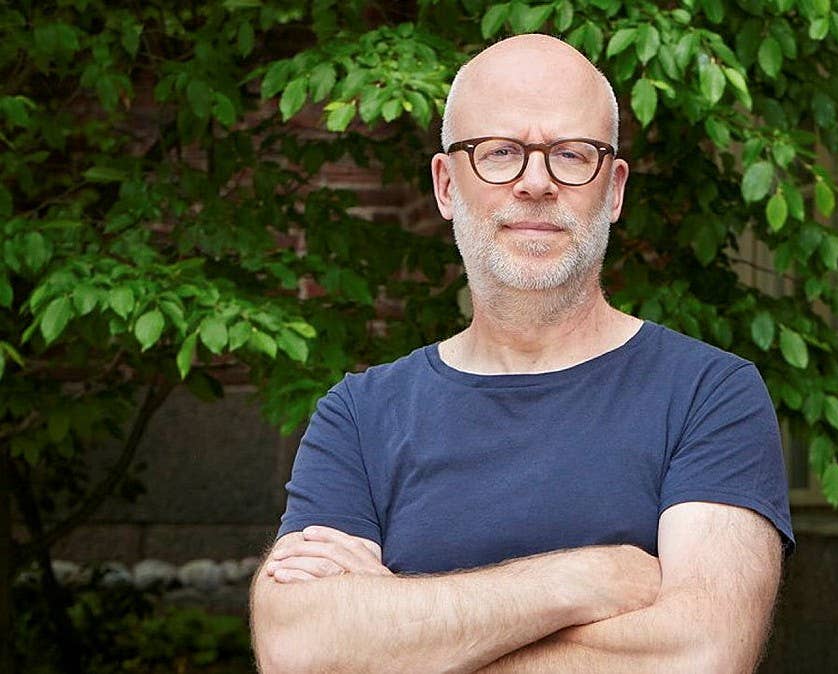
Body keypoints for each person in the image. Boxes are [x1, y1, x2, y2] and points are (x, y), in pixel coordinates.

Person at [250, 33, 794, 673]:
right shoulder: (361, 415)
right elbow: (297, 649)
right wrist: (586, 579)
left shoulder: (709, 395)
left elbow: (699, 655)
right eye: (500, 152)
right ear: (445, 185)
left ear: (614, 191)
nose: (536, 182)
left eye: (571, 154)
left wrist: (395, 632)